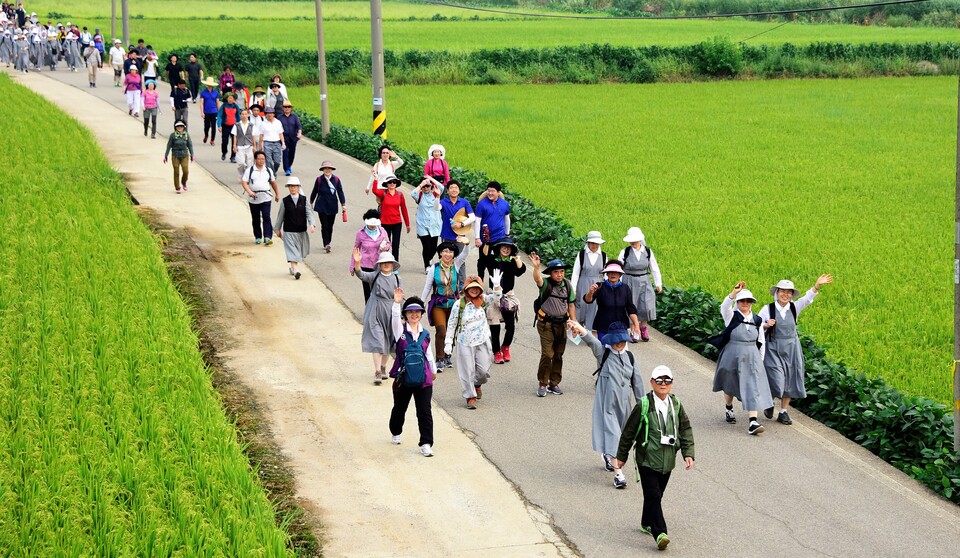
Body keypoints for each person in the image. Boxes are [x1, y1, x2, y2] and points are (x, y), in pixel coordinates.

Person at [615, 365, 695, 551]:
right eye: (659, 380)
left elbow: (685, 429)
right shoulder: (644, 404)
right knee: (654, 494)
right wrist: (622, 456)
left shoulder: (676, 404)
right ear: (652, 383)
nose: (663, 384)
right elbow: (629, 431)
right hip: (647, 459)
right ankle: (660, 533)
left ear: (672, 384)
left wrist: (688, 452)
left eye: (667, 380)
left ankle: (646, 522)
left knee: (655, 496)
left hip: (668, 460)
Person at [568, 320, 643, 489]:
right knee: (614, 437)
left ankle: (608, 456)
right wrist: (581, 329)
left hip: (624, 407)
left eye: (622, 341)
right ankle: (619, 475)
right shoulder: (604, 353)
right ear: (610, 341)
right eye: (616, 342)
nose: (619, 344)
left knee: (622, 437)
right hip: (607, 405)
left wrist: (643, 406)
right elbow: (592, 342)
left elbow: (637, 383)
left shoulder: (630, 357)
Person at [758, 274, 833, 425]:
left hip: (792, 348)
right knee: (776, 378)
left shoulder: (794, 307)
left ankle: (783, 412)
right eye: (782, 291)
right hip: (773, 347)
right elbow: (756, 324)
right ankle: (769, 403)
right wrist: (766, 325)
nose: (785, 295)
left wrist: (817, 285)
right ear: (776, 292)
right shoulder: (768, 309)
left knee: (791, 379)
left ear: (792, 295)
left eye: (789, 292)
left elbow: (807, 299)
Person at [710, 282, 775, 435]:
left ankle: (753, 422)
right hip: (731, 353)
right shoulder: (731, 316)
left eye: (748, 301)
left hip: (751, 355)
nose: (745, 304)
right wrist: (733, 293)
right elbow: (724, 307)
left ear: (752, 303)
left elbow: (761, 341)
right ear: (738, 302)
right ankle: (729, 407)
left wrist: (760, 359)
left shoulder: (757, 320)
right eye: (742, 301)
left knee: (752, 386)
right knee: (729, 385)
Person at [388, 290, 437, 457]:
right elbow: (395, 318)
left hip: (423, 378)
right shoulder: (400, 331)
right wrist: (396, 303)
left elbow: (428, 353)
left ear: (421, 314)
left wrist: (433, 370)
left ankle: (426, 443)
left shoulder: (426, 334)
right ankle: (396, 431)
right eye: (410, 312)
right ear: (405, 315)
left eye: (417, 312)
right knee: (400, 408)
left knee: (424, 411)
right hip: (404, 378)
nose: (414, 314)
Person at [444, 272, 503, 409]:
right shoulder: (459, 305)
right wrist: (448, 342)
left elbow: (496, 298)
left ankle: (477, 384)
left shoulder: (483, 301)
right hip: (465, 342)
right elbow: (452, 324)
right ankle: (470, 396)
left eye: (477, 287)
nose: (474, 290)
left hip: (482, 340)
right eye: (472, 287)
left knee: (483, 371)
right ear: (466, 289)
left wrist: (497, 286)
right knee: (467, 370)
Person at [353, 249, 403, 385]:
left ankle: (383, 367)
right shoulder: (374, 275)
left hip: (391, 310)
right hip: (375, 309)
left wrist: (402, 315)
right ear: (379, 265)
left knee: (388, 340)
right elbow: (361, 274)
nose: (386, 265)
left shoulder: (397, 279)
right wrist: (357, 262)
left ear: (393, 264)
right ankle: (377, 372)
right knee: (377, 340)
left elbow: (400, 298)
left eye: (389, 262)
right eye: (383, 262)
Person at [529, 254, 576, 397]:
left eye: (561, 271)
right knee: (548, 353)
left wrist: (574, 324)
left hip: (562, 324)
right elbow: (537, 279)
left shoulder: (567, 285)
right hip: (546, 325)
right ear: (550, 273)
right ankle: (542, 384)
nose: (559, 274)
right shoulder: (545, 284)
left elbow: (571, 305)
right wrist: (536, 267)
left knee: (558, 354)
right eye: (556, 272)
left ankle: (554, 383)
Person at [421, 240, 469, 370]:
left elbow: (464, 254)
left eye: (450, 252)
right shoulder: (434, 268)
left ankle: (448, 355)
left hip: (453, 304)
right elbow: (427, 287)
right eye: (445, 251)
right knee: (441, 331)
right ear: (440, 253)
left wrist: (467, 243)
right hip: (438, 303)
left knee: (450, 331)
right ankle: (439, 359)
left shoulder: (456, 265)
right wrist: (421, 302)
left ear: (453, 255)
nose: (448, 254)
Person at [484, 237, 525, 365]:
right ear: (499, 248)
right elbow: (484, 256)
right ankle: (496, 352)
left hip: (507, 296)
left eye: (509, 248)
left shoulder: (512, 262)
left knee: (510, 325)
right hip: (494, 296)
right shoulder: (492, 260)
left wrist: (517, 258)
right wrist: (486, 242)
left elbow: (521, 270)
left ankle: (506, 347)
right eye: (504, 247)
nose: (506, 249)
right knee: (494, 326)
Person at [619, 227, 663, 342]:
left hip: (644, 280)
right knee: (632, 305)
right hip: (629, 280)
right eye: (631, 240)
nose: (632, 242)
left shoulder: (647, 251)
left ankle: (643, 327)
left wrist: (658, 283)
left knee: (646, 304)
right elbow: (618, 267)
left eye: (635, 240)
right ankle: (633, 330)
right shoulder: (625, 252)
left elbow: (654, 267)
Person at [583, 260, 641, 341]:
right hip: (603, 325)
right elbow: (588, 300)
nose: (613, 274)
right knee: (604, 351)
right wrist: (590, 292)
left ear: (620, 274)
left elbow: (630, 308)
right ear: (607, 273)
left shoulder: (625, 288)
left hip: (621, 326)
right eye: (610, 272)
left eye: (616, 272)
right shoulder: (599, 286)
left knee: (620, 350)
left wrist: (636, 325)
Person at [275, 177, 315, 280]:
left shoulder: (304, 200)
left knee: (299, 252)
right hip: (289, 231)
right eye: (290, 186)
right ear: (288, 188)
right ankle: (296, 270)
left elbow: (309, 213)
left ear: (298, 187)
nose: (292, 188)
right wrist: (277, 229)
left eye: (294, 186)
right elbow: (280, 216)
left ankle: (293, 268)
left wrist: (312, 224)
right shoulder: (285, 201)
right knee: (292, 251)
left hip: (301, 231)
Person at [350, 209, 392, 302]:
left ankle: (378, 309)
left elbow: (389, 244)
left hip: (379, 264)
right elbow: (355, 250)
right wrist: (353, 266)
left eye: (374, 225)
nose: (373, 226)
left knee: (379, 289)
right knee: (367, 290)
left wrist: (384, 247)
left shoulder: (382, 231)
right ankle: (369, 310)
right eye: (371, 224)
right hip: (366, 265)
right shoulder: (360, 233)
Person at [241, 150, 280, 245]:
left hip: (266, 197)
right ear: (255, 159)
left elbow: (273, 183)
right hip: (253, 198)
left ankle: (267, 237)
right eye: (259, 159)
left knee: (266, 216)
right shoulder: (250, 170)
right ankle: (258, 236)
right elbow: (244, 182)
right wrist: (249, 191)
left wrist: (277, 194)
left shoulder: (268, 170)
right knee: (256, 218)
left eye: (263, 159)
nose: (261, 161)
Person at [572, 231, 607, 333]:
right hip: (583, 282)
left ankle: (590, 328)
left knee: (594, 306)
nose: (594, 246)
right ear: (588, 243)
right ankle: (579, 327)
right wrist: (573, 288)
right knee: (581, 305)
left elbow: (605, 273)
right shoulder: (582, 254)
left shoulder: (603, 256)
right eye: (592, 243)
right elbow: (576, 272)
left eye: (596, 244)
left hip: (598, 284)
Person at [473, 181, 510, 280]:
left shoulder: (504, 204)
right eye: (488, 191)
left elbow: (507, 219)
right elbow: (477, 221)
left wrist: (507, 234)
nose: (490, 193)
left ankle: (494, 284)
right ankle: (480, 279)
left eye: (492, 191)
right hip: (485, 238)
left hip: (499, 238)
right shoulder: (482, 204)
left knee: (497, 262)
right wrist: (477, 238)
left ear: (498, 192)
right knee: (483, 260)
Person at [309, 161, 346, 253]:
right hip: (322, 206)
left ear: (332, 169)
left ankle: (328, 241)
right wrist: (311, 202)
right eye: (325, 168)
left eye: (329, 168)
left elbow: (340, 192)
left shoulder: (336, 179)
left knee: (330, 225)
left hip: (332, 206)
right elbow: (314, 191)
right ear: (322, 170)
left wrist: (343, 204)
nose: (327, 170)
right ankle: (326, 244)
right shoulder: (319, 179)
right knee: (324, 225)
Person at [411, 177, 444, 272]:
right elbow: (412, 193)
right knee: (426, 246)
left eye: (428, 186)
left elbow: (441, 187)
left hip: (434, 225)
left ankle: (429, 259)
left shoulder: (435, 194)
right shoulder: (419, 196)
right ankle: (427, 266)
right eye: (424, 186)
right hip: (422, 225)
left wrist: (430, 178)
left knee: (434, 247)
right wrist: (421, 184)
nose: (426, 188)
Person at [377, 174, 410, 262]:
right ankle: (384, 262)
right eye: (390, 182)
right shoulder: (383, 193)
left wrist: (407, 224)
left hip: (397, 223)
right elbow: (374, 190)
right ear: (387, 184)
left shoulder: (400, 194)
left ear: (396, 184)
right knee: (385, 244)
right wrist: (375, 178)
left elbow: (404, 209)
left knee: (396, 245)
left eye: (394, 182)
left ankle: (395, 263)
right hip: (385, 223)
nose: (392, 184)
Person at [163, 121, 194, 194]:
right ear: (175, 127)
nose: (180, 128)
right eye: (178, 126)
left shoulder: (186, 135)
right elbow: (169, 145)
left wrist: (192, 154)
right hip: (175, 155)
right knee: (176, 171)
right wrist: (166, 155)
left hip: (184, 155)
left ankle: (184, 182)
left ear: (184, 127)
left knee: (185, 171)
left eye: (181, 126)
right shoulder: (173, 135)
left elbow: (190, 145)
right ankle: (177, 187)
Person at [232, 108, 259, 178]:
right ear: (240, 115)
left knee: (250, 162)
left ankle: (247, 176)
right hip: (240, 146)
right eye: (242, 114)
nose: (244, 116)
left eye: (246, 114)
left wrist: (255, 146)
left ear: (248, 115)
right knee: (241, 163)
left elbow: (253, 136)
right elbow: (235, 136)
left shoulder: (251, 125)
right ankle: (242, 174)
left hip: (249, 145)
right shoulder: (237, 125)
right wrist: (234, 145)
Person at [277, 100, 302, 176]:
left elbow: (299, 126)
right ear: (283, 108)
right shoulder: (279, 117)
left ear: (291, 108)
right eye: (285, 107)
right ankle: (286, 168)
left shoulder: (294, 117)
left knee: (292, 153)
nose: (287, 108)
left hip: (293, 138)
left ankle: (289, 165)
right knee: (285, 153)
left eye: (288, 107)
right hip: (283, 138)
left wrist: (299, 133)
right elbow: (277, 127)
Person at [259, 107, 285, 175]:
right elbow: (261, 135)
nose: (269, 115)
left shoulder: (278, 122)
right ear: (266, 114)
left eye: (271, 113)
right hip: (267, 143)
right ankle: (271, 175)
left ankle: (273, 172)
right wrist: (260, 145)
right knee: (269, 161)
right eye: (268, 113)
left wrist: (283, 143)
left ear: (274, 114)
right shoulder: (263, 123)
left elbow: (281, 133)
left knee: (277, 161)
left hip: (277, 143)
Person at [217, 92, 239, 162]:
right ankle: (224, 152)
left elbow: (238, 117)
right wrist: (219, 125)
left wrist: (239, 126)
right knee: (224, 142)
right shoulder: (223, 106)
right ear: (226, 99)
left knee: (234, 142)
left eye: (232, 98)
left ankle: (233, 157)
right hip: (225, 126)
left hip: (234, 126)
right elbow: (219, 116)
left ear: (234, 99)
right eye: (229, 98)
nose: (230, 100)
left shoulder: (236, 106)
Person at [199, 77, 219, 145]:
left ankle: (212, 139)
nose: (210, 86)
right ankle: (206, 135)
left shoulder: (216, 93)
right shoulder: (203, 92)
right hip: (206, 112)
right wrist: (202, 112)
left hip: (214, 111)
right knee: (206, 126)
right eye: (208, 85)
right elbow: (201, 103)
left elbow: (217, 102)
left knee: (214, 126)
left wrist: (219, 112)